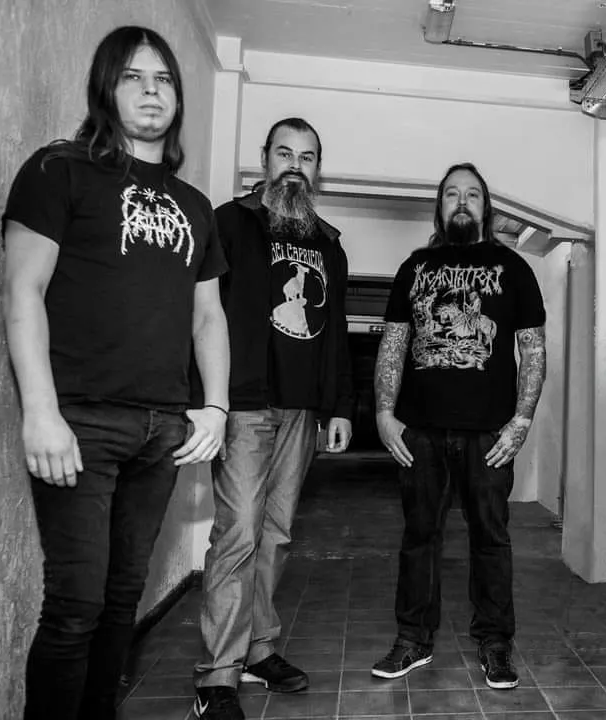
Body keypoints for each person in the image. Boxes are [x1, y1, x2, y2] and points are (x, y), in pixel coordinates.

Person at [1, 26, 229, 720]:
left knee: (121, 601)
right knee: (75, 605)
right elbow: (22, 291)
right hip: (80, 423)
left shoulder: (194, 206)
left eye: (163, 79)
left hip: (162, 430)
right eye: (133, 76)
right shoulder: (58, 170)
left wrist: (215, 407)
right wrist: (41, 412)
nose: (151, 91)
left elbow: (208, 317)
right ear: (106, 88)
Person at [192, 118, 356, 720]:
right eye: (284, 153)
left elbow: (335, 331)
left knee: (277, 533)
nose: (295, 165)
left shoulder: (328, 244)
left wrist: (340, 407)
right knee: (238, 532)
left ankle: (258, 650)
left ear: (318, 169)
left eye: (307, 157)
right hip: (244, 403)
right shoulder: (229, 223)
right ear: (264, 158)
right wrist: (207, 400)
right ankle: (219, 672)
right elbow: (203, 314)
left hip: (301, 409)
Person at [371, 162, 547, 689]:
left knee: (491, 537)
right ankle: (412, 640)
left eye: (472, 194)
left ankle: (496, 643)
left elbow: (533, 350)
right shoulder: (415, 267)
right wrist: (383, 413)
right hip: (420, 432)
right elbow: (394, 343)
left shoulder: (513, 268)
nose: (462, 202)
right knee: (419, 537)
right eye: (452, 194)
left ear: (486, 208)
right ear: (440, 206)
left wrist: (521, 421)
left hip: (490, 433)